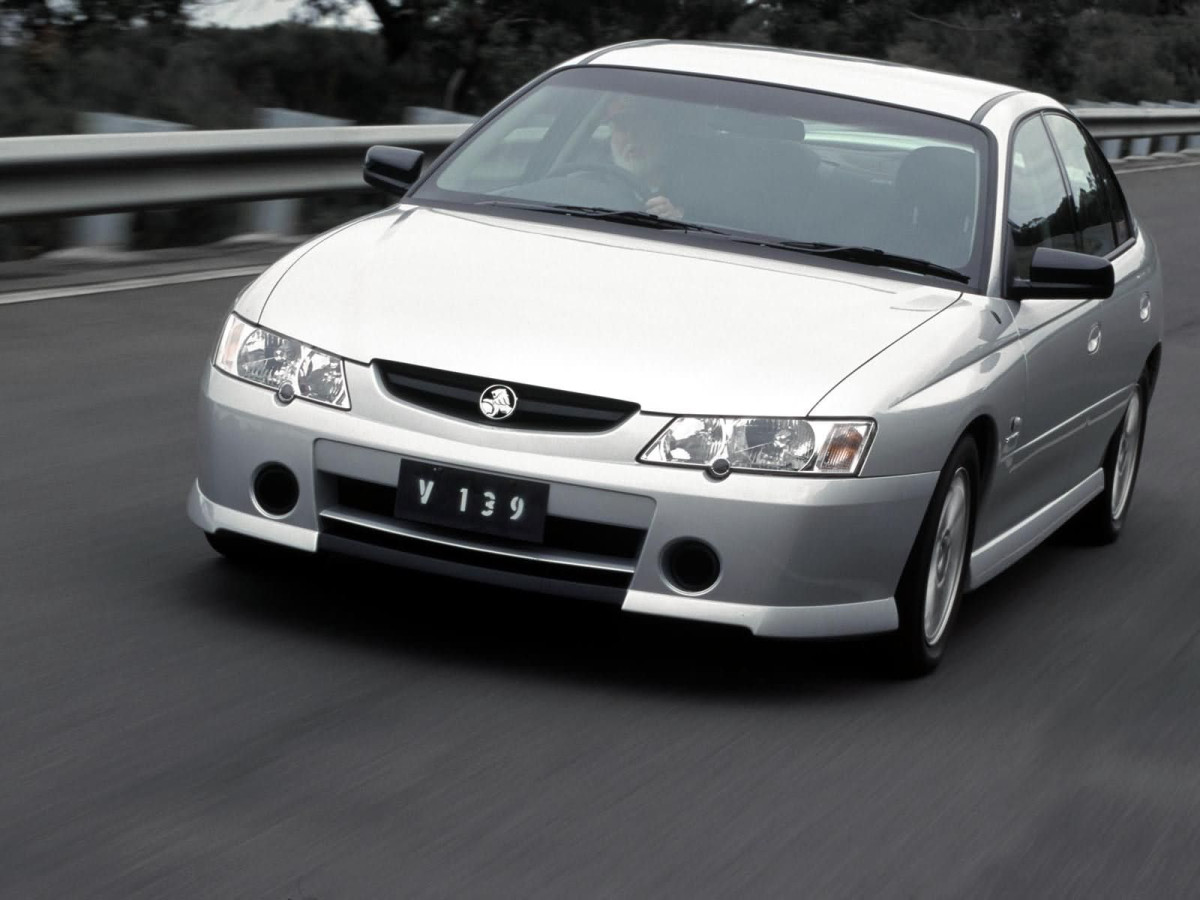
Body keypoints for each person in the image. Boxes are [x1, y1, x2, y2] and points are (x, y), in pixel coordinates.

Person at [607, 99, 685, 221]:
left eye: (641, 126)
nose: (631, 136)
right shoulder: (590, 181)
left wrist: (677, 220)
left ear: (663, 135)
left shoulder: (689, 190)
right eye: (622, 128)